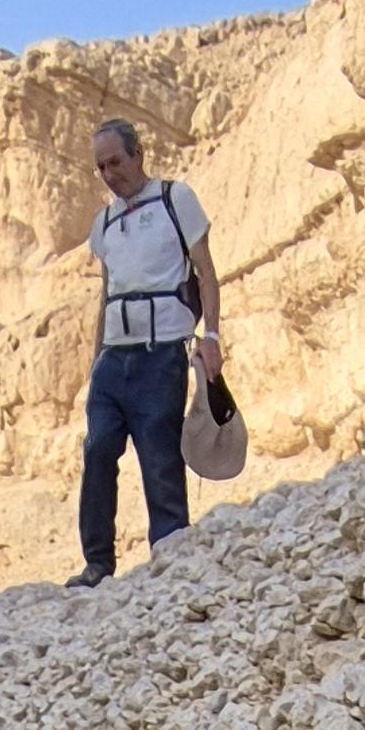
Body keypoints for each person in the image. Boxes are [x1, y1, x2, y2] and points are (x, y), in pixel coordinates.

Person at [70, 118, 222, 588]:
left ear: (138, 154)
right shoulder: (105, 224)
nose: (109, 174)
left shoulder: (176, 200)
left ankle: (170, 553)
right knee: (99, 449)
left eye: (115, 162)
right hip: (114, 357)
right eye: (100, 167)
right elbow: (107, 294)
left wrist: (212, 338)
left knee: (159, 454)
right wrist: (96, 360)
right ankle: (97, 562)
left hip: (161, 354)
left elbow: (207, 273)